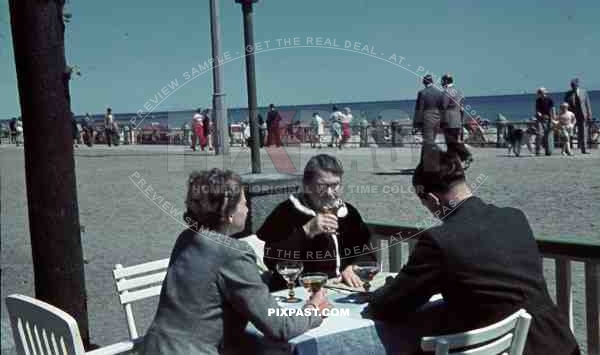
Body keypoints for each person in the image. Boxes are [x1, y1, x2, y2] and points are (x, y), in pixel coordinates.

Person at [363, 151, 580, 355]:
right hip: (556, 340)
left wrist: (378, 293)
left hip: (503, 348)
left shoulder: (440, 240)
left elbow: (390, 306)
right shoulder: (514, 217)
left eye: (424, 203)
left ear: (433, 199)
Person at [142, 169, 329, 355]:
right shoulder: (232, 252)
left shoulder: (187, 237)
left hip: (155, 346)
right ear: (229, 213)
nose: (247, 209)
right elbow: (280, 327)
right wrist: (313, 309)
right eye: (244, 203)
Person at [257, 154, 376, 291]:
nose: (330, 193)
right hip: (298, 291)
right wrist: (306, 231)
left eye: (335, 185)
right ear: (306, 186)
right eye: (322, 186)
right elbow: (272, 260)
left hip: (340, 289)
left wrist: (354, 267)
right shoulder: (286, 212)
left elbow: (367, 253)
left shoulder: (348, 214)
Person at [440, 73, 472, 166]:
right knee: (451, 144)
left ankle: (466, 155)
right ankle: (453, 163)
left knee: (451, 142)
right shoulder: (458, 91)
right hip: (457, 120)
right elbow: (461, 107)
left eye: (442, 80)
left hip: (448, 120)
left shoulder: (446, 92)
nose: (441, 82)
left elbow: (443, 107)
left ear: (446, 81)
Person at [413, 74, 444, 171]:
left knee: (427, 143)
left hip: (427, 120)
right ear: (432, 82)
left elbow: (419, 109)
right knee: (431, 142)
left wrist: (416, 124)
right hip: (437, 120)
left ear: (424, 82)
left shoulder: (422, 93)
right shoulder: (439, 92)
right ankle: (426, 163)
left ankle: (427, 165)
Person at [564, 78, 593, 154]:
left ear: (577, 84)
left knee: (583, 132)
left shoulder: (584, 92)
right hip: (572, 116)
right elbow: (565, 106)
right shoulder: (568, 94)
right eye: (571, 85)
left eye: (574, 84)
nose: (572, 86)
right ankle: (568, 149)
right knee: (570, 132)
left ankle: (584, 149)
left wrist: (589, 115)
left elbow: (587, 104)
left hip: (582, 115)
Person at [535, 87, 555, 156]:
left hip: (548, 119)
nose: (540, 93)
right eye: (539, 92)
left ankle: (548, 151)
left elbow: (552, 110)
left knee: (548, 135)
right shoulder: (538, 100)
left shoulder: (550, 100)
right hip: (540, 119)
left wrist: (552, 119)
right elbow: (537, 109)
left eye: (542, 92)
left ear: (545, 92)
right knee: (540, 134)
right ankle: (538, 151)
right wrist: (538, 113)